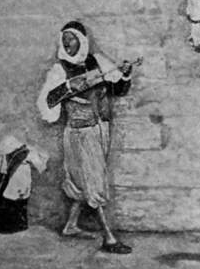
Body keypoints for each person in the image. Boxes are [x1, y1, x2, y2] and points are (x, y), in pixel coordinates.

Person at [37, 20, 133, 254]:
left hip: (100, 127)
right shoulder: (59, 70)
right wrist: (70, 87)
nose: (69, 45)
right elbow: (46, 102)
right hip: (80, 132)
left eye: (73, 40)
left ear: (82, 40)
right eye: (65, 41)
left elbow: (117, 89)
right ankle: (109, 237)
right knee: (93, 179)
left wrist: (125, 76)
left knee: (85, 178)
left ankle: (71, 225)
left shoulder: (98, 61)